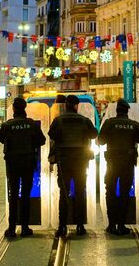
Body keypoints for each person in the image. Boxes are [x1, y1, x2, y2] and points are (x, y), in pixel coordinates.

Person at [48, 94, 97, 238]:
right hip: (81, 162)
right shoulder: (84, 120)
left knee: (64, 194)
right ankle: (80, 226)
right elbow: (94, 135)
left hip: (64, 162)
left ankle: (62, 226)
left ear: (65, 106)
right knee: (80, 193)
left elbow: (52, 135)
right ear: (76, 106)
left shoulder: (58, 120)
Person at [0, 97, 46, 238]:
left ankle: (11, 227)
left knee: (13, 194)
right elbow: (41, 140)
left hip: (12, 163)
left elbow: (1, 139)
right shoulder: (31, 124)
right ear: (25, 108)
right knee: (25, 194)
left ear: (13, 109)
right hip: (28, 162)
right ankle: (25, 227)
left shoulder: (7, 125)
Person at [97, 98, 139, 235]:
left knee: (110, 192)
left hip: (112, 163)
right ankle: (122, 225)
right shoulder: (134, 124)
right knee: (124, 193)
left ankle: (112, 224)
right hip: (128, 163)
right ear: (128, 110)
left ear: (116, 110)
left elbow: (100, 141)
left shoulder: (109, 123)